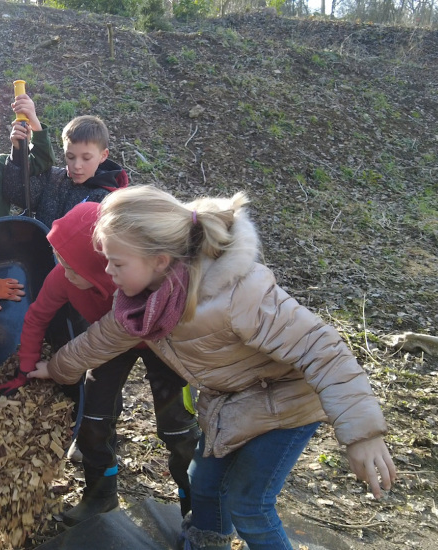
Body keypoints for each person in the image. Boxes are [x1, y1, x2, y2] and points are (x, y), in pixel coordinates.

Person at [29, 185, 397, 550]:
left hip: (286, 406)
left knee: (248, 505)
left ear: (159, 259)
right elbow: (100, 340)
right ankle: (205, 545)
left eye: (117, 262)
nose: (108, 271)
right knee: (203, 487)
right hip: (230, 406)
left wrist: (362, 434)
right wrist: (56, 369)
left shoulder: (236, 294)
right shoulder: (142, 304)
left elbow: (322, 348)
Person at [0, 202, 199, 526]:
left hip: (162, 342)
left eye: (72, 265)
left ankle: (197, 510)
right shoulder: (63, 277)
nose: (62, 269)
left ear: (102, 266)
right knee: (93, 416)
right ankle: (101, 494)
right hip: (108, 344)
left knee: (178, 428)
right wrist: (26, 366)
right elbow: (37, 317)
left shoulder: (133, 280)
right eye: (58, 259)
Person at [1, 115, 128, 229]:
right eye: (71, 157)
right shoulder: (53, 178)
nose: (77, 165)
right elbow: (15, 193)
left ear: (103, 155)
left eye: (86, 158)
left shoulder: (106, 200)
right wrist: (18, 151)